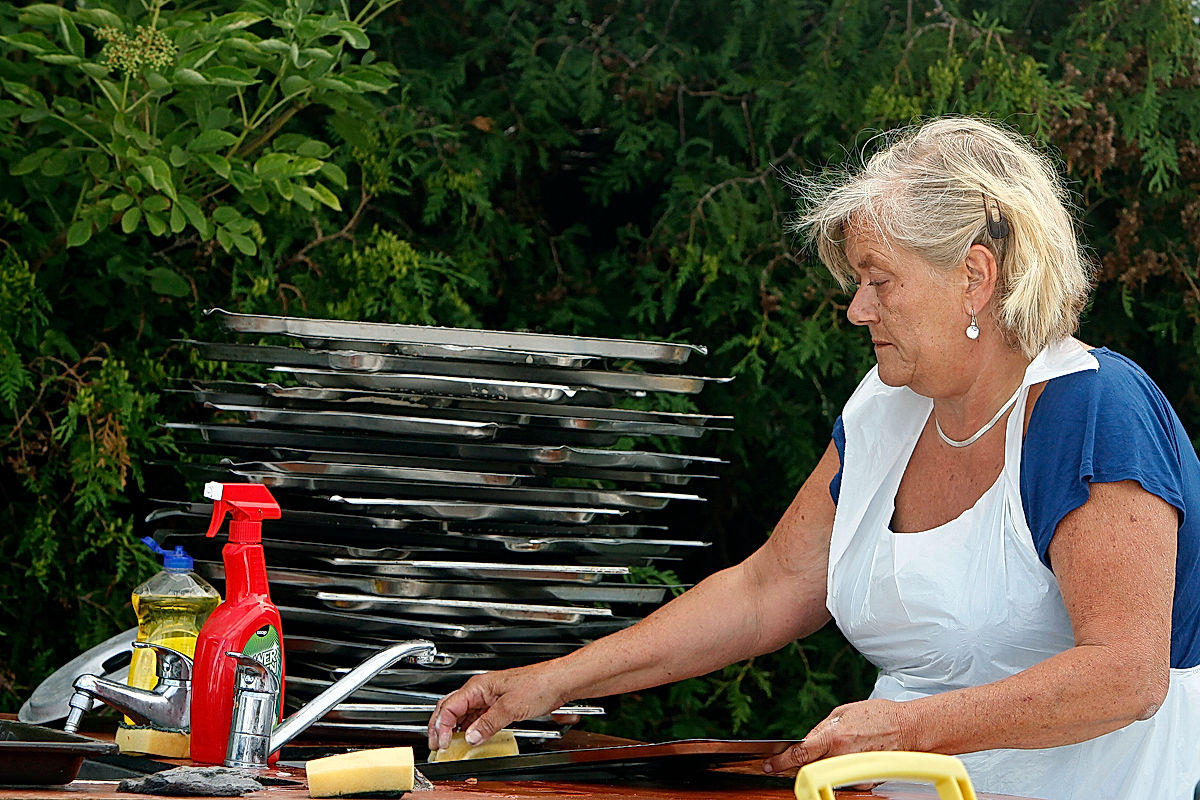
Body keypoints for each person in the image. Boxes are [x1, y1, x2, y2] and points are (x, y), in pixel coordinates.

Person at [427, 117, 1200, 800]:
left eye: (879, 281)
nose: (857, 308)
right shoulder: (885, 406)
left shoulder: (1094, 411)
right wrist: (544, 684)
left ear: (975, 276)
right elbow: (768, 589)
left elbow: (1125, 675)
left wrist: (904, 731)